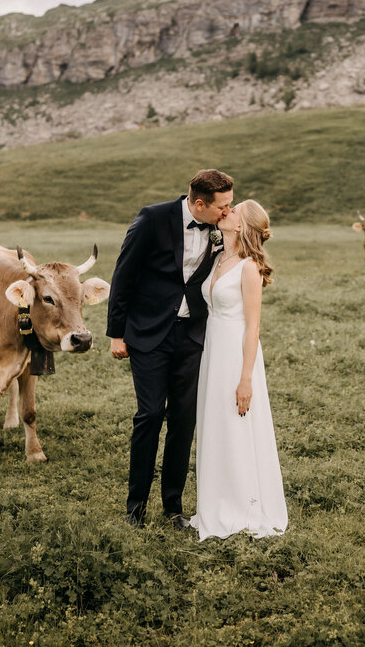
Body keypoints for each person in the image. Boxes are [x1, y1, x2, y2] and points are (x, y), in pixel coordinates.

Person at [107, 169, 234, 529]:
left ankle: (173, 506)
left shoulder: (219, 230)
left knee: (184, 419)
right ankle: (135, 509)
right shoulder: (153, 218)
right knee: (149, 415)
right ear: (198, 204)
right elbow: (124, 273)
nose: (228, 211)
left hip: (193, 336)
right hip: (148, 334)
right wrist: (117, 334)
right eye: (222, 206)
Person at [191, 199, 287, 541]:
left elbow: (253, 328)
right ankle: (216, 501)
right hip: (213, 352)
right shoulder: (219, 257)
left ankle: (243, 507)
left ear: (240, 226)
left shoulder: (249, 268)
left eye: (233, 211)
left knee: (237, 422)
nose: (225, 212)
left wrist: (246, 378)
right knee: (216, 422)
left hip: (236, 353)